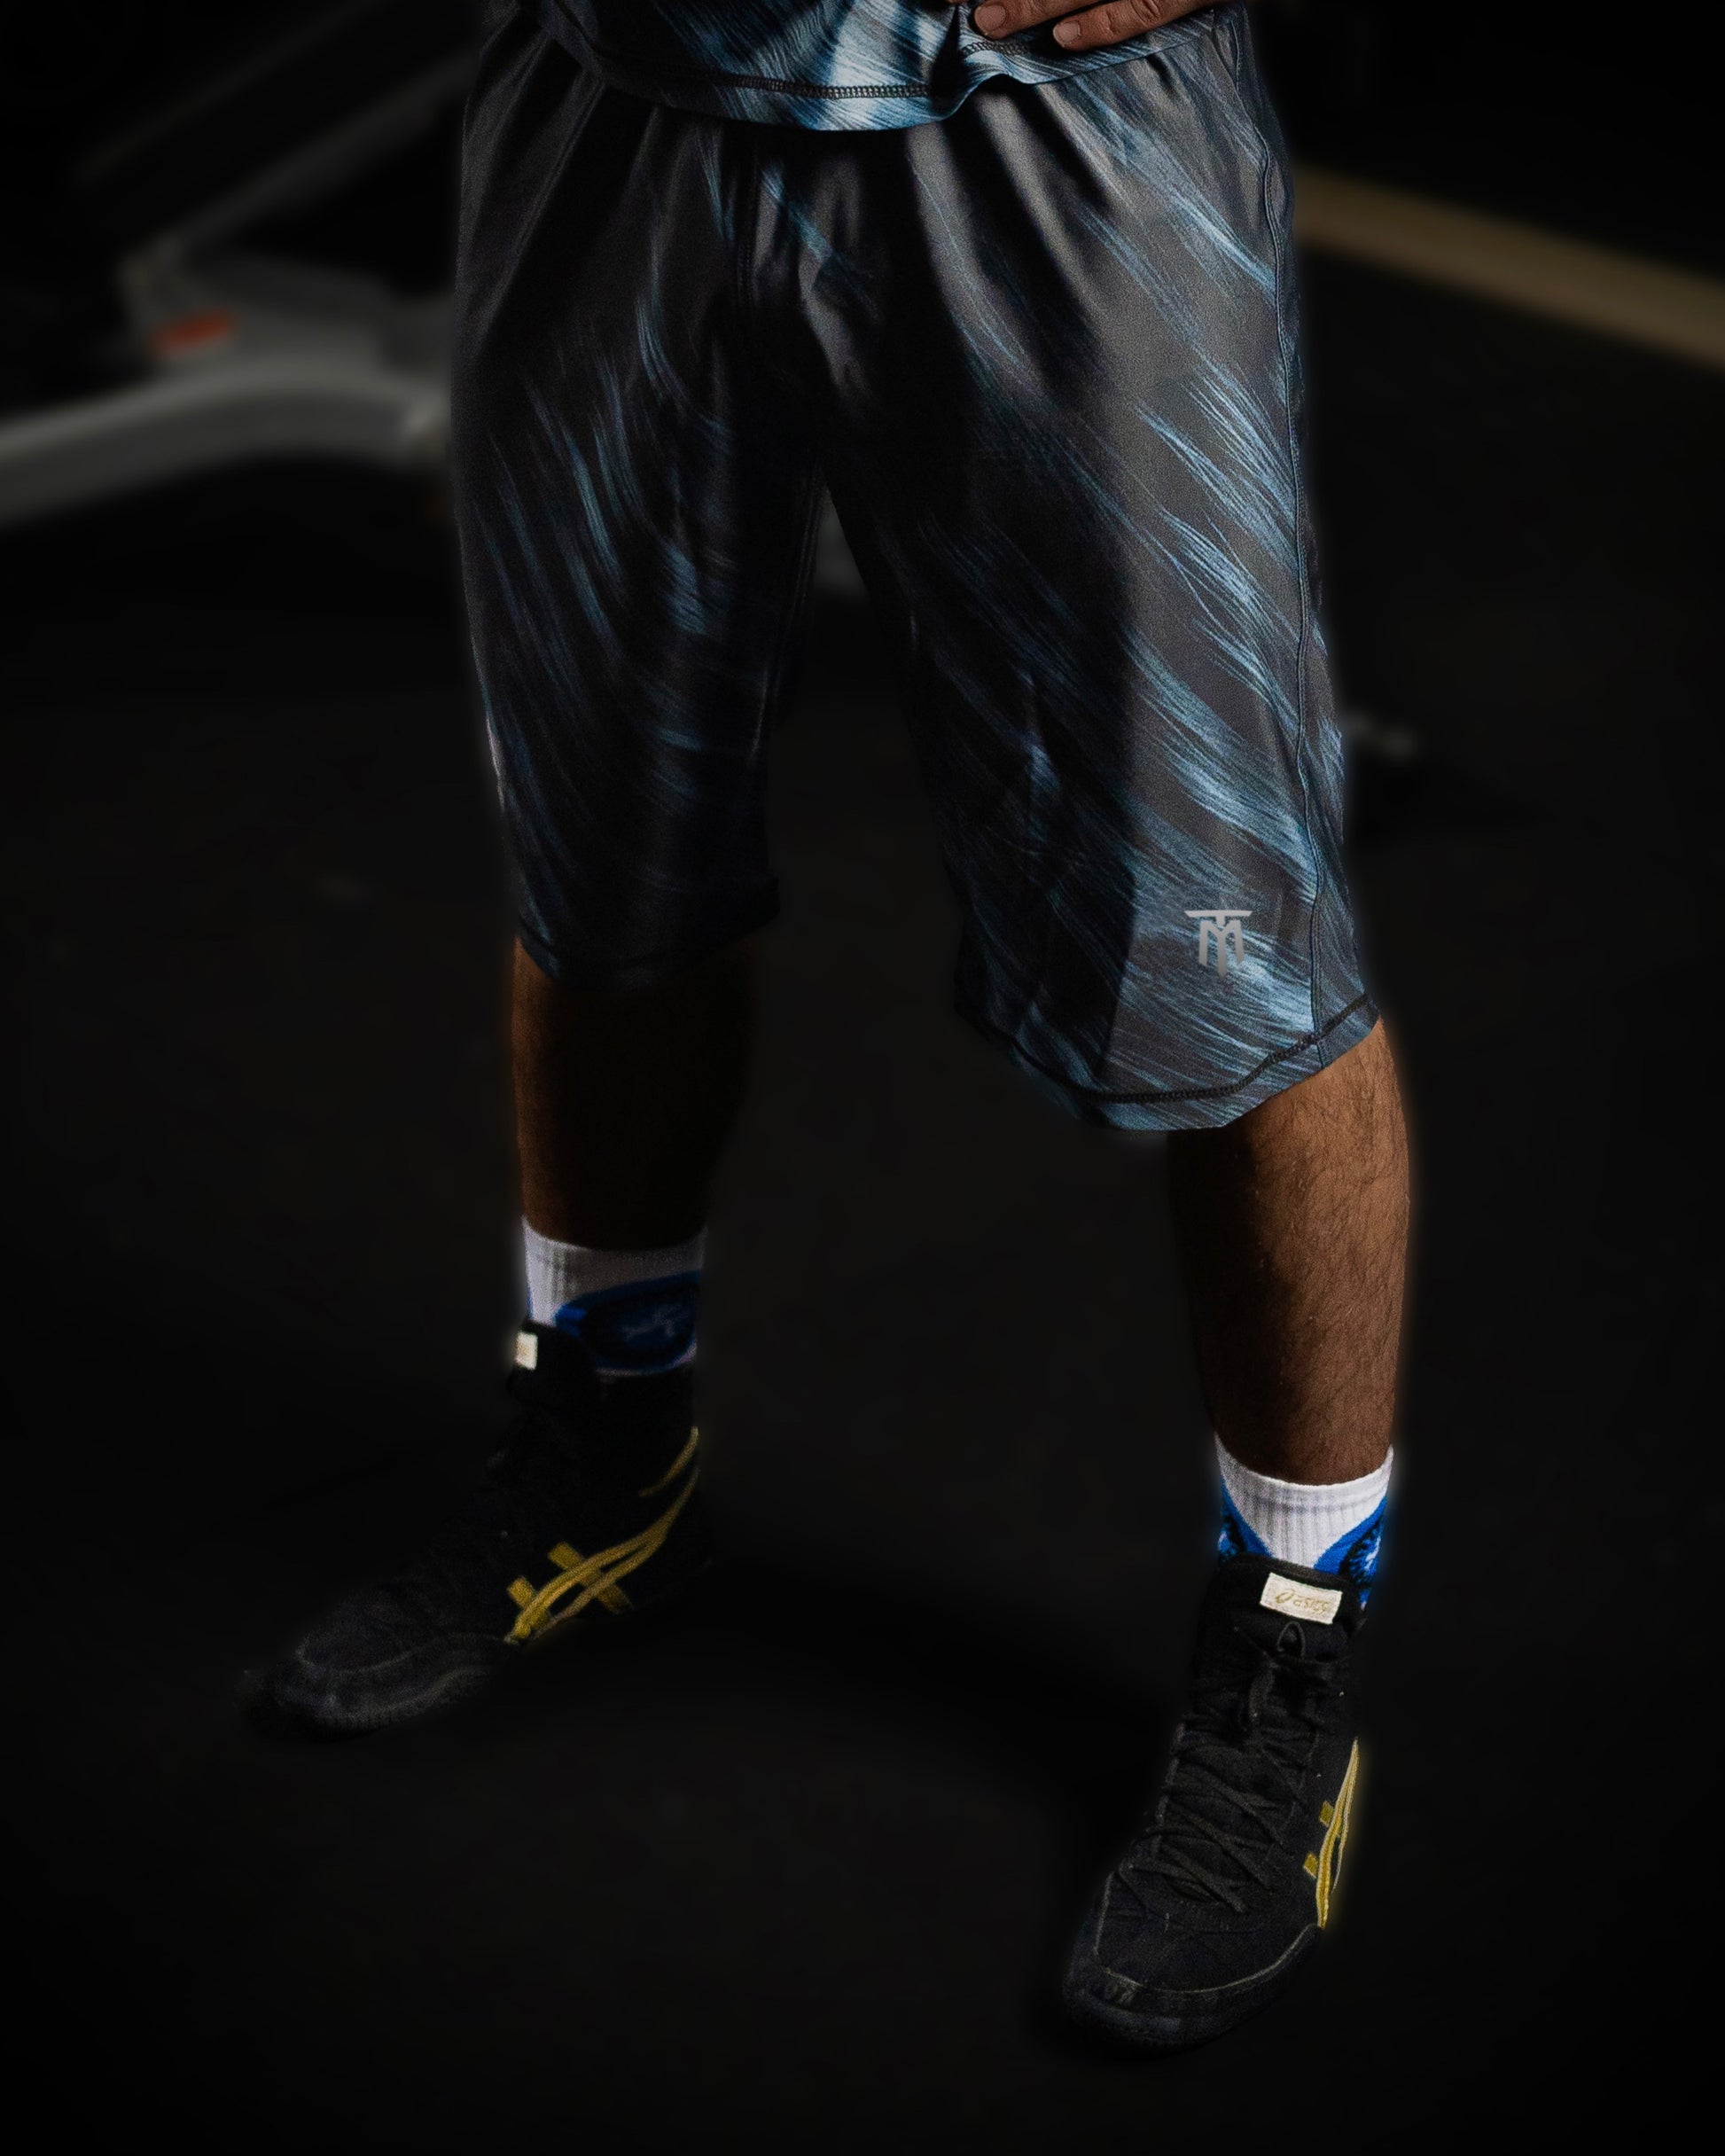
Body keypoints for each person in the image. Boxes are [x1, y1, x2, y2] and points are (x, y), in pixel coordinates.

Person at [259, 0, 1410, 2053]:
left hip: (1049, 141)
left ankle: (1292, 1633)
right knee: (603, 863)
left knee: (1229, 957)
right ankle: (604, 1454)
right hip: (614, 103)